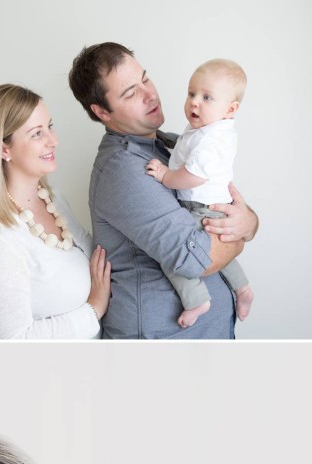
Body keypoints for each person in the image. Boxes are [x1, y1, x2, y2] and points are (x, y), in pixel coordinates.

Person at [68, 42, 259, 339]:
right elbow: (195, 259)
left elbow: (220, 202)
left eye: (145, 78)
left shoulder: (172, 144)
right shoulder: (123, 169)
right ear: (101, 111)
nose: (150, 94)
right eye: (131, 92)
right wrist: (242, 231)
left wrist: (249, 221)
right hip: (164, 342)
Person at [0, 84, 111, 338]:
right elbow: (14, 340)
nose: (54, 141)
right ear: (3, 149)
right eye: (37, 133)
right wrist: (95, 308)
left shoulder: (54, 201)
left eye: (50, 126)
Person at [144, 59, 254, 328]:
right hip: (216, 204)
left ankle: (196, 300)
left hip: (199, 208)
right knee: (222, 252)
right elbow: (185, 145)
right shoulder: (210, 128)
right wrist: (163, 138)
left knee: (174, 258)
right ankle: (243, 288)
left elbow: (193, 175)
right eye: (191, 93)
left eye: (207, 97)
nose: (195, 102)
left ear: (231, 109)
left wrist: (164, 176)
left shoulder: (209, 140)